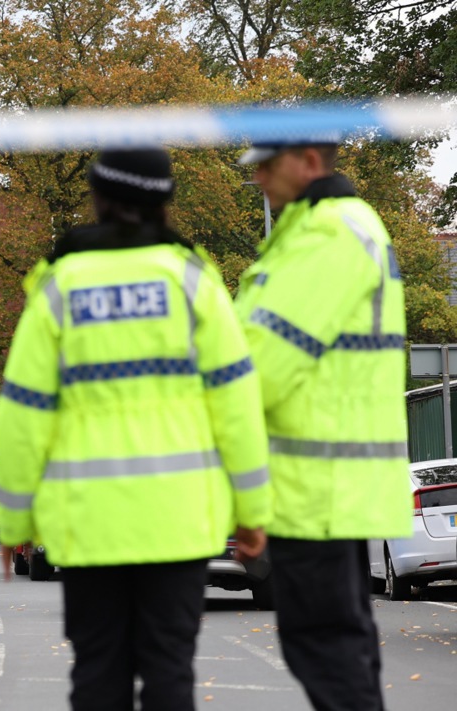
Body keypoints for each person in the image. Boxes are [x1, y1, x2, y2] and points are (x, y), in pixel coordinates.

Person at [0, 147, 273, 711]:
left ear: (98, 198)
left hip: (89, 524)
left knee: (99, 673)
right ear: (165, 202)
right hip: (178, 523)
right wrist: (252, 514)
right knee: (170, 671)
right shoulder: (193, 283)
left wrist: (15, 520)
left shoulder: (60, 288)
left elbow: (22, 416)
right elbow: (238, 407)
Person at [234, 139, 412, 711]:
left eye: (269, 165)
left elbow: (260, 364)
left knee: (326, 648)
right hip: (322, 483)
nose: (259, 178)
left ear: (309, 160)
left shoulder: (327, 234)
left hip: (317, 487)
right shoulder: (323, 231)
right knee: (337, 647)